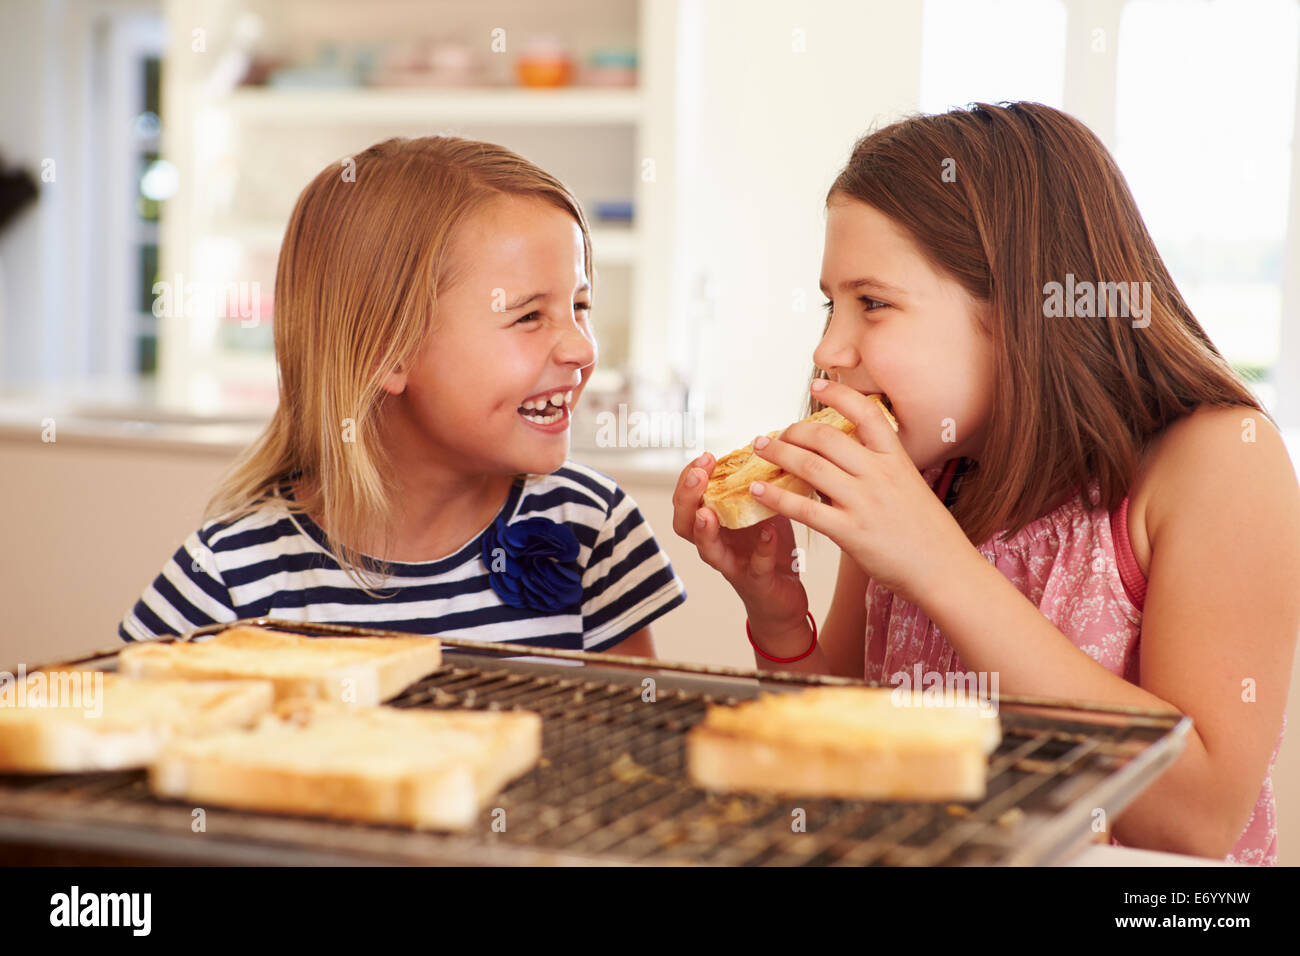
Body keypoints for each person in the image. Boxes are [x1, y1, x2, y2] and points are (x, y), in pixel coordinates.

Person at [673, 102, 1297, 864]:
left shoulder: (1218, 459)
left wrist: (938, 565)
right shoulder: (923, 471)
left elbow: (1192, 822)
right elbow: (842, 759)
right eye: (829, 303)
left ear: (1022, 312)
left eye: (873, 303)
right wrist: (778, 615)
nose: (828, 349)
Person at [121, 135, 685, 658]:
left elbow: (639, 754)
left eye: (580, 307)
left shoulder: (591, 526)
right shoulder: (230, 577)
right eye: (530, 315)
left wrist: (776, 621)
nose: (583, 350)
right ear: (385, 352)